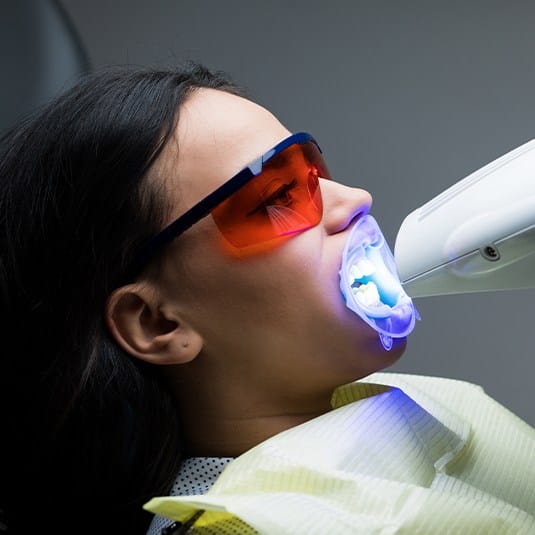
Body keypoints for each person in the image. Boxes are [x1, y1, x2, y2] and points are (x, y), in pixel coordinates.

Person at [0, 63, 533, 535]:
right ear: (158, 323)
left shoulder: (409, 406)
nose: (354, 200)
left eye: (315, 173)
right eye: (278, 198)